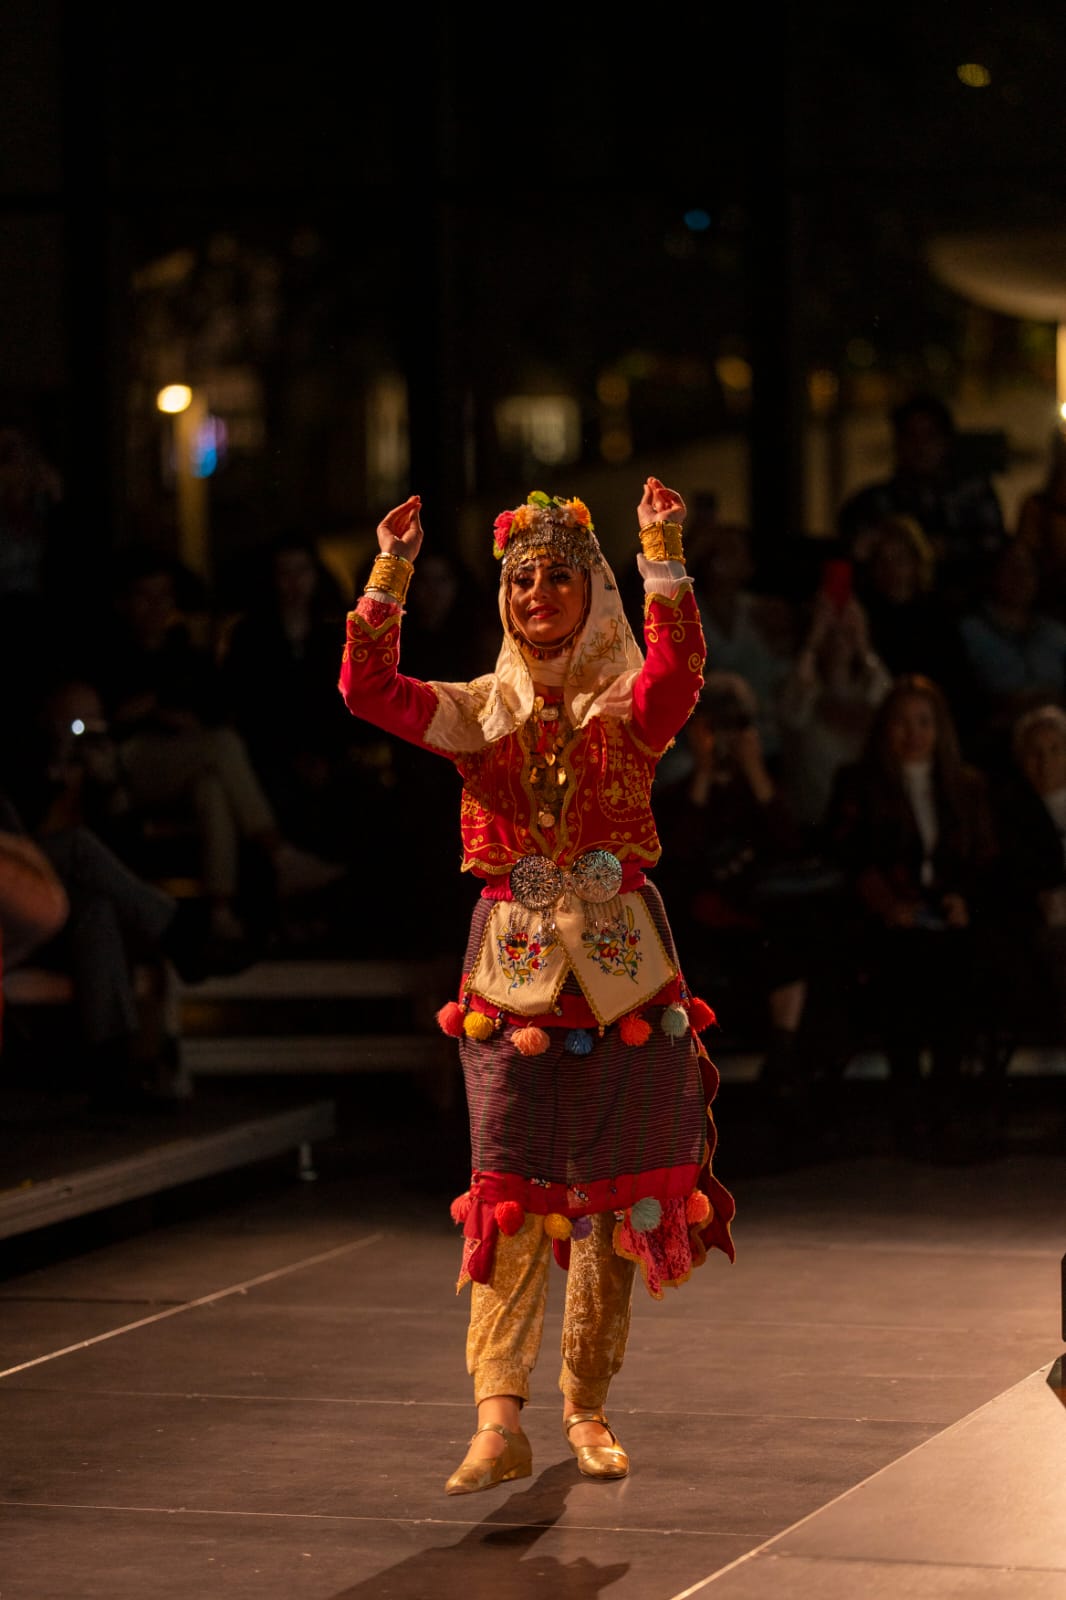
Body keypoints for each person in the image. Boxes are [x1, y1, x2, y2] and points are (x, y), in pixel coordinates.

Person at [339, 479, 736, 1494]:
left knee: (614, 1207)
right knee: (509, 1193)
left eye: (559, 575)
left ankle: (587, 1404)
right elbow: (367, 691)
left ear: (591, 589)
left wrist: (662, 551)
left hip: (620, 982)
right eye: (521, 578)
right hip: (513, 978)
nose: (538, 592)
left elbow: (682, 660)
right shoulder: (481, 710)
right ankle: (495, 1416)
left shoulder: (630, 707)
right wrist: (389, 574)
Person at [826, 675, 1000, 1157]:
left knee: (964, 966)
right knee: (902, 972)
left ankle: (947, 1108)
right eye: (901, 723)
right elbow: (848, 856)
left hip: (948, 920)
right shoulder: (860, 784)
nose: (913, 734)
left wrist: (965, 899)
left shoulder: (967, 786)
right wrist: (887, 904)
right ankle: (910, 1110)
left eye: (923, 723)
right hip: (889, 921)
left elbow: (984, 861)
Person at [838, 392, 1007, 615]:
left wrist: (948, 549)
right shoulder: (872, 503)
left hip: (967, 612)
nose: (920, 447)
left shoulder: (974, 495)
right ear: (897, 442)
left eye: (929, 436)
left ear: (945, 442)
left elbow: (995, 549)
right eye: (910, 436)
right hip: (889, 617)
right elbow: (849, 557)